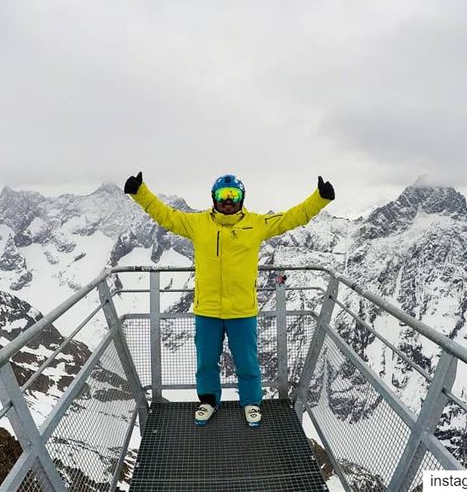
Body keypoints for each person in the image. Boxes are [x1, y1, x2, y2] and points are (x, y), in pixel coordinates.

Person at [124, 171, 335, 427]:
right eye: (223, 195)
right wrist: (140, 192)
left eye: (233, 195)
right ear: (214, 198)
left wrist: (319, 199)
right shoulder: (198, 223)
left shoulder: (256, 224)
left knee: (247, 362)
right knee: (206, 362)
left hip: (242, 311)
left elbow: (290, 218)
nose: (228, 200)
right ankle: (208, 402)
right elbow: (166, 216)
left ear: (242, 197)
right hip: (207, 310)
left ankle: (251, 403)